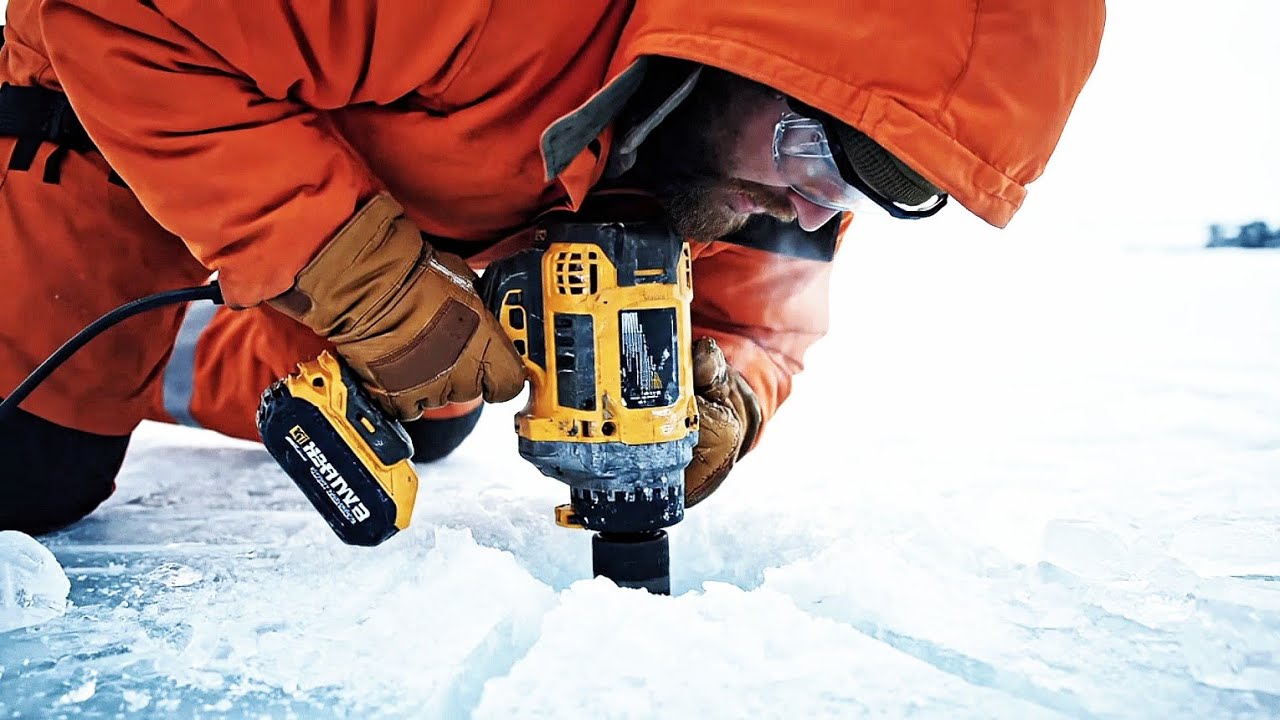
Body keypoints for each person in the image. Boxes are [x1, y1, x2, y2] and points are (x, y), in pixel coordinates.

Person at [0, 1, 1106, 534]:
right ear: (745, 49)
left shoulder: (774, 165)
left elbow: (755, 327)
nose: (816, 204)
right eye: (824, 150)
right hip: (122, 112)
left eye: (870, 186)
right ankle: (145, 323)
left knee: (432, 417)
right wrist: (358, 279)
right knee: (31, 477)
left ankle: (207, 337)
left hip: (365, 177)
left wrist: (722, 396)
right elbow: (115, 15)